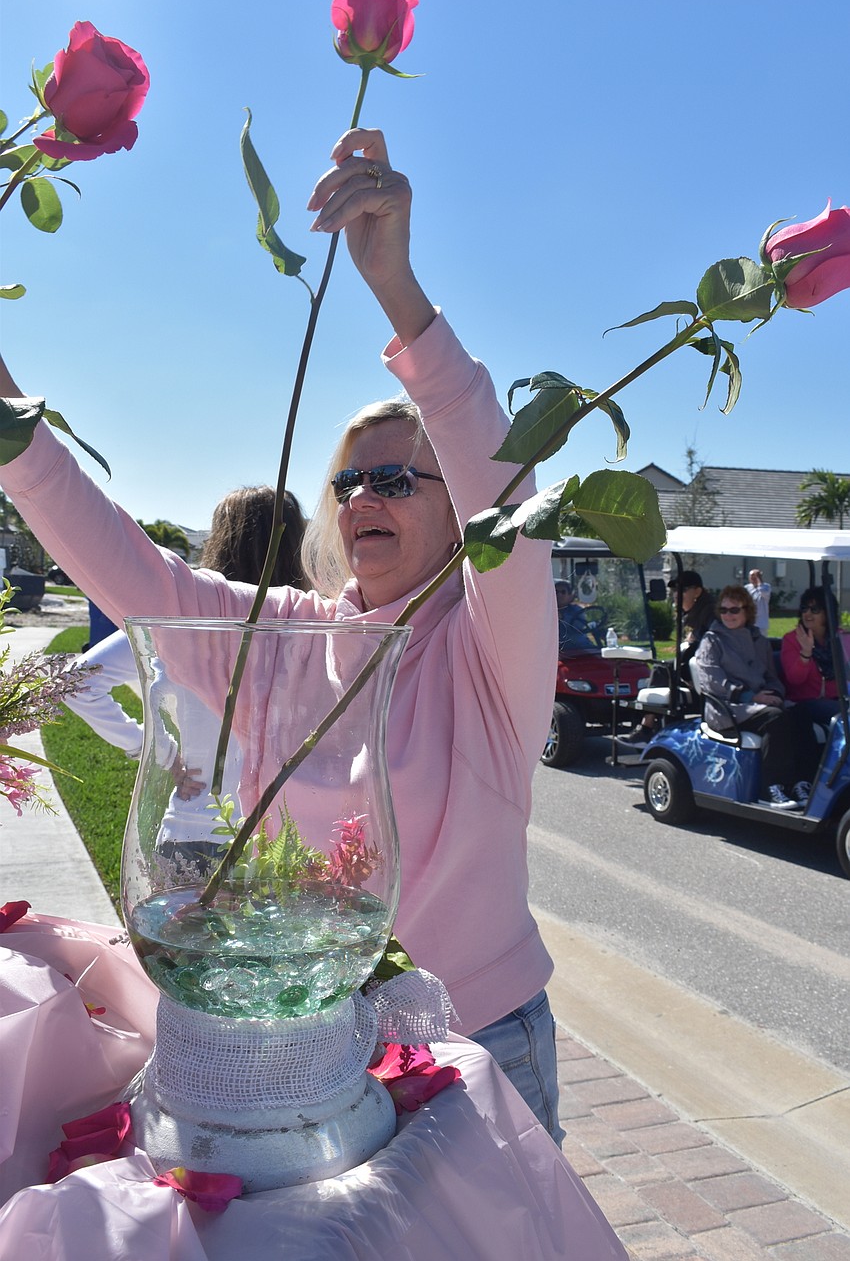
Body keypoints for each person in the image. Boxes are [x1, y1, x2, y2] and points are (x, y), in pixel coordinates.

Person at [0, 129, 561, 1141]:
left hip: (481, 1038)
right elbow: (130, 568)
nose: (362, 498)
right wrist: (5, 418)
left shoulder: (485, 650)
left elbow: (506, 505)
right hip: (316, 1035)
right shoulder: (285, 637)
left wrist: (397, 292)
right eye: (347, 480)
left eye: (395, 478)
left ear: (455, 511)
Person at [63, 487, 307, 859]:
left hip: (191, 828)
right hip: (285, 839)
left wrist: (162, 754)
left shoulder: (180, 620)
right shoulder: (312, 627)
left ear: (220, 540)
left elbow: (78, 683)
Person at [694, 585, 809, 809]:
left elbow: (771, 676)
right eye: (724, 610)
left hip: (758, 703)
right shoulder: (712, 640)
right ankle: (771, 787)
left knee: (802, 714)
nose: (728, 615)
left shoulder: (759, 641)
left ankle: (802, 782)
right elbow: (712, 681)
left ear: (747, 611)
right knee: (776, 719)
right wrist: (751, 696)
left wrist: (776, 693)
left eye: (734, 610)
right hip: (728, 707)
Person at [618, 569, 715, 747]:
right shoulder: (694, 612)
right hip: (694, 669)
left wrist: (691, 644)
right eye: (675, 590)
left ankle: (646, 727)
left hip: (706, 672)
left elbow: (706, 645)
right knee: (663, 668)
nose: (677, 595)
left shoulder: (709, 612)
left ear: (697, 592)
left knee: (662, 668)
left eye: (683, 590)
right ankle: (651, 727)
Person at [780, 587, 850, 787]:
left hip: (837, 699)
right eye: (804, 609)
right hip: (804, 702)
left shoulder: (839, 639)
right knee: (843, 716)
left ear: (827, 613)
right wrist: (805, 653)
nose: (808, 614)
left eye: (815, 609)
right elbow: (794, 680)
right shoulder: (792, 640)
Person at [554, 578, 596, 652]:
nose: (559, 595)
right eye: (556, 592)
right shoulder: (547, 611)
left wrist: (563, 618)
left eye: (563, 592)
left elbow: (579, 626)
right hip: (562, 652)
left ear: (570, 596)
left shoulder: (576, 609)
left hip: (583, 648)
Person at [745, 568, 771, 634]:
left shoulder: (766, 587)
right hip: (749, 621)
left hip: (761, 623)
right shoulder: (746, 588)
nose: (752, 578)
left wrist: (759, 581)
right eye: (751, 576)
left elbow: (764, 593)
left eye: (755, 576)